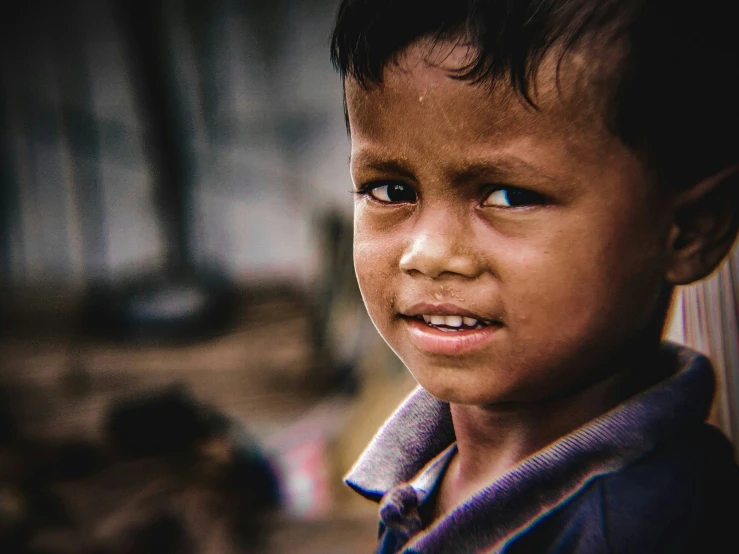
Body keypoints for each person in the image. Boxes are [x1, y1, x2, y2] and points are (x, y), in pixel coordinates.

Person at [329, 1, 739, 552]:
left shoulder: (648, 526)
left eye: (510, 196)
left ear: (690, 230)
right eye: (390, 189)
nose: (427, 254)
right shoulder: (437, 460)